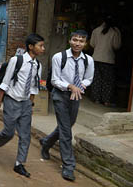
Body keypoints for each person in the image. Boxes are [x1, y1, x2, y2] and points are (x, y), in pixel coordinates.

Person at [0, 34, 45, 178]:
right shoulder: (16, 60)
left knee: (25, 135)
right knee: (9, 132)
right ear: (31, 47)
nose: (43, 49)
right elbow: (5, 82)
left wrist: (31, 105)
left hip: (25, 103)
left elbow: (33, 87)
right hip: (12, 101)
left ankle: (20, 164)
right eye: (40, 46)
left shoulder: (38, 65)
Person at [39, 30, 94, 182]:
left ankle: (46, 142)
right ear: (70, 40)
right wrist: (70, 86)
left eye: (81, 41)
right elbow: (55, 80)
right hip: (60, 94)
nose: (77, 43)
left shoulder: (88, 60)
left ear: (85, 43)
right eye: (75, 40)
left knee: (68, 124)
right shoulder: (59, 57)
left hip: (76, 95)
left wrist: (80, 85)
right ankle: (69, 166)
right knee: (65, 131)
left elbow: (89, 78)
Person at [90, 16, 122, 107]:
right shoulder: (115, 32)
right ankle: (106, 101)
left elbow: (92, 44)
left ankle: (96, 99)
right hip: (108, 60)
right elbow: (116, 46)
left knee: (96, 79)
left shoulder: (96, 30)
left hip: (96, 58)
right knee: (107, 81)